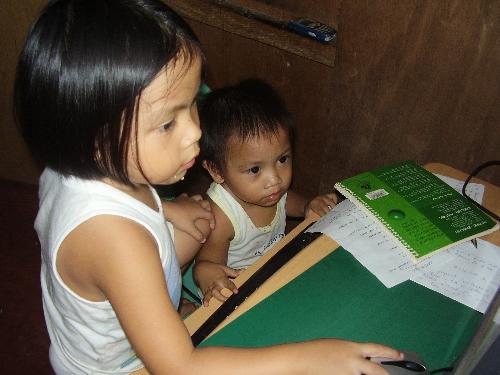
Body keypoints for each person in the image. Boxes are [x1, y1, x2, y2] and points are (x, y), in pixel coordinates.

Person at [14, 0, 402, 373]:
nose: (196, 133)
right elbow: (180, 368)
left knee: (195, 226)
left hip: (116, 315)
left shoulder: (72, 164)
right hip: (122, 367)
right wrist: (308, 359)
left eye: (192, 104)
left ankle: (172, 314)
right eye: (168, 123)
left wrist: (165, 208)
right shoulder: (115, 240)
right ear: (95, 139)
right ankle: (172, 321)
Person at [193, 79, 339, 305]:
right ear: (216, 171)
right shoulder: (223, 215)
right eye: (254, 169)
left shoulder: (271, 191)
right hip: (236, 292)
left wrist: (308, 206)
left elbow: (291, 201)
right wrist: (212, 277)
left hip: (271, 274)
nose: (275, 180)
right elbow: (204, 265)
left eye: (282, 159)